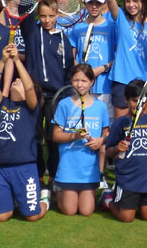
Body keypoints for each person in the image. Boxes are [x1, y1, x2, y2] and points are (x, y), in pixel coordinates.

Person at [0, 45, 49, 222]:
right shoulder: (2, 104)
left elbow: (30, 88)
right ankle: (16, 199)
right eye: (15, 79)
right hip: (1, 169)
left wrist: (16, 60)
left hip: (24, 168)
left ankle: (44, 198)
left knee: (32, 216)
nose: (16, 80)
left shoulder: (30, 108)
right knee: (1, 217)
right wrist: (3, 60)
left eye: (20, 81)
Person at [21, 0, 75, 186]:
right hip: (35, 94)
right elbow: (24, 14)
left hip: (56, 97)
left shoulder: (64, 39)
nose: (47, 20)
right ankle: (37, 175)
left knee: (53, 138)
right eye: (43, 16)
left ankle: (53, 176)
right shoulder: (32, 33)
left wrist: (66, 94)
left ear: (57, 15)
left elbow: (69, 69)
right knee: (34, 136)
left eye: (51, 16)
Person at [104, 79, 147, 222]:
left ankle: (137, 203)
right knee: (126, 218)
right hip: (128, 180)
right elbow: (108, 151)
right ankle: (107, 199)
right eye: (134, 101)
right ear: (126, 100)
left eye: (143, 101)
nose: (139, 105)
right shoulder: (120, 123)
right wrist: (116, 148)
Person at [51, 64, 110, 216]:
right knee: (69, 211)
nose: (79, 84)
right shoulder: (64, 104)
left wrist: (100, 141)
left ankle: (103, 195)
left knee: (86, 211)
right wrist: (74, 136)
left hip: (89, 169)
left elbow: (107, 134)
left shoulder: (101, 107)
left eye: (84, 81)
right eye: (76, 80)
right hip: (68, 167)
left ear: (92, 82)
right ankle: (56, 192)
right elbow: (55, 135)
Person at [69, 0, 115, 119]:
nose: (94, 6)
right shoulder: (77, 28)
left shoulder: (111, 27)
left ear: (103, 3)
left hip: (104, 85)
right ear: (85, 4)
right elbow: (72, 55)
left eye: (98, 3)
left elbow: (117, 55)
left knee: (105, 122)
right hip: (82, 85)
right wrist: (81, 73)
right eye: (91, 3)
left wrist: (102, 69)